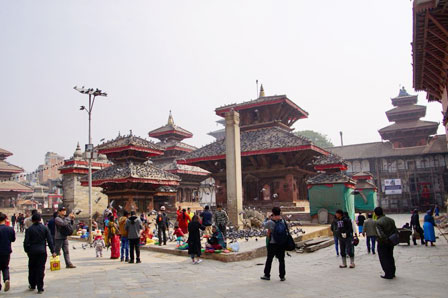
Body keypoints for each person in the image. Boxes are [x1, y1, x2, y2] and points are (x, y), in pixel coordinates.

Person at [23, 213, 56, 294]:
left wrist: (27, 250)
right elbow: (50, 240)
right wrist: (53, 251)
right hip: (42, 251)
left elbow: (26, 242)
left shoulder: (29, 229)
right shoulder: (45, 228)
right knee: (40, 269)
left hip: (32, 251)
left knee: (32, 268)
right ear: (40, 219)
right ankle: (40, 287)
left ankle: (32, 284)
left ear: (33, 220)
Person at [261, 207, 287, 281]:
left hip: (272, 243)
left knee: (269, 259)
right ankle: (282, 276)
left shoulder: (270, 222)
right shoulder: (283, 221)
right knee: (281, 260)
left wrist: (267, 218)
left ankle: (267, 275)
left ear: (273, 213)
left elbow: (263, 225)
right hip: (281, 243)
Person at [375, 207, 398, 279]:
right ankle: (392, 272)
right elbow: (395, 230)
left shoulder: (378, 222)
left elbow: (380, 234)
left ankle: (388, 273)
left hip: (383, 243)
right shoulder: (391, 220)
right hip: (391, 241)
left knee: (384, 258)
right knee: (390, 256)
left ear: (375, 213)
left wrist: (385, 240)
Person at [0, 212, 15, 292]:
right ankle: (6, 279)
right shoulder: (9, 229)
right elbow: (13, 239)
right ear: (5, 219)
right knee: (5, 267)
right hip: (6, 251)